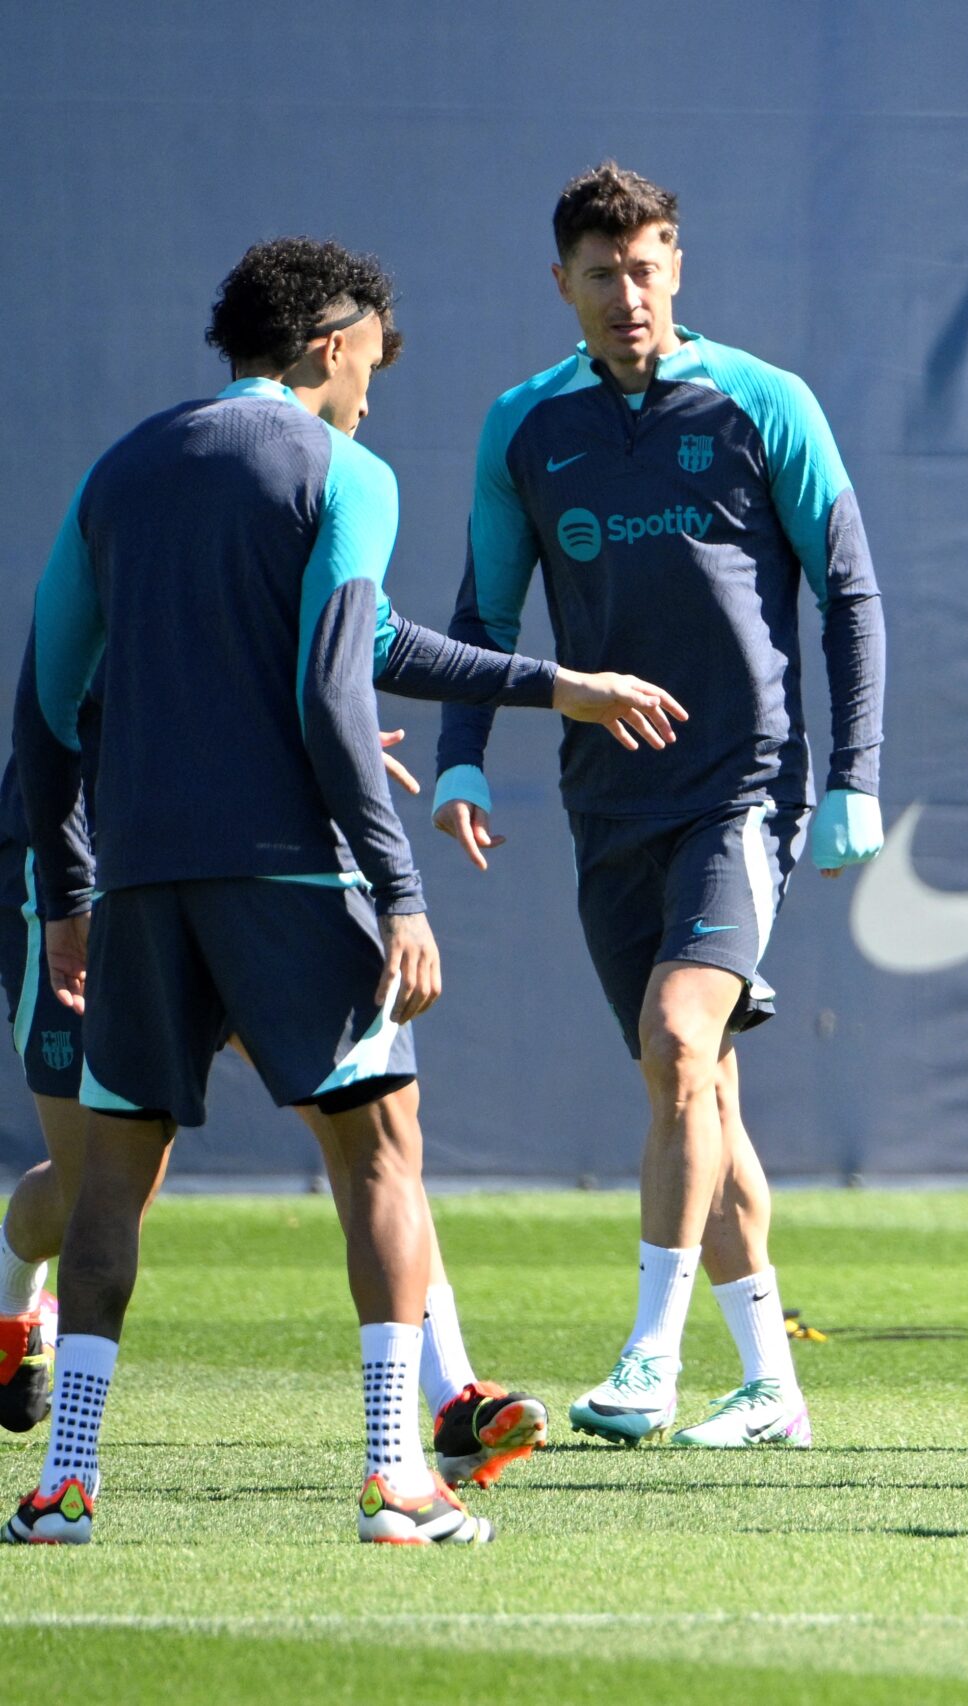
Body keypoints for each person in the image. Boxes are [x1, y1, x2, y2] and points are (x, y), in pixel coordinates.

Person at [5, 237, 680, 1543]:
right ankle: (394, 1474)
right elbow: (333, 689)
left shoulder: (124, 470)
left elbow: (47, 703)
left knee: (109, 1181)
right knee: (383, 1153)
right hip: (294, 872)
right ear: (328, 343)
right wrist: (401, 887)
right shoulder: (345, 471)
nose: (376, 387)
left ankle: (63, 1483)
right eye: (372, 359)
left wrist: (65, 892)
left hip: (139, 877)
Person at [431, 162, 886, 1449]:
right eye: (601, 272)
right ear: (561, 281)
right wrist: (462, 756)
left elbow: (848, 589)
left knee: (682, 1043)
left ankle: (649, 1355)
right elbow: (484, 614)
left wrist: (853, 774)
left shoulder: (762, 402)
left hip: (744, 786)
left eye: (648, 266)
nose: (628, 294)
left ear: (677, 264)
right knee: (698, 1086)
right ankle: (772, 1384)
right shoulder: (526, 424)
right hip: (605, 800)